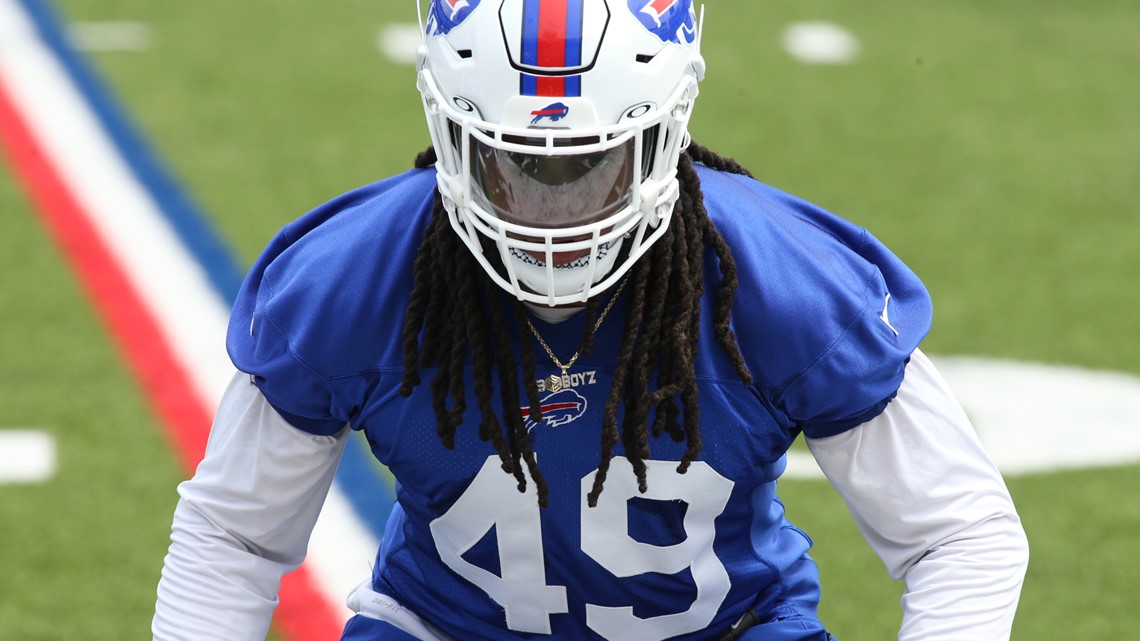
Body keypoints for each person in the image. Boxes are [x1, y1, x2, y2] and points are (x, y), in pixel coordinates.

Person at [153, 1, 1029, 640]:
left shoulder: (776, 281)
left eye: (590, 162)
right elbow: (233, 531)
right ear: (450, 133)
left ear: (667, 130)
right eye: (514, 161)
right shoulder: (356, 280)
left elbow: (958, 531)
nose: (551, 206)